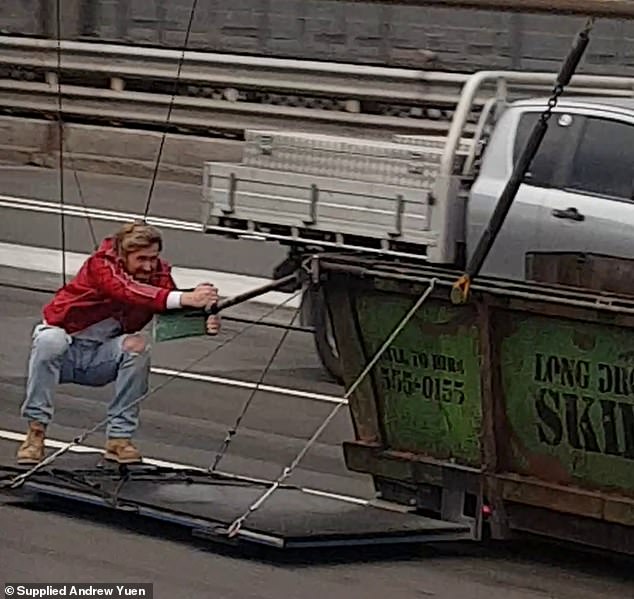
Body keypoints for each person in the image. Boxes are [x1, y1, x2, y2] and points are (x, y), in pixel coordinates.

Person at [16, 221, 221, 465]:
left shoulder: (158, 273)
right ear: (123, 255)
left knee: (138, 344)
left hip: (101, 358)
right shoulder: (100, 265)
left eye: (153, 258)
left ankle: (119, 439)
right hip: (64, 354)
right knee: (50, 339)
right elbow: (128, 290)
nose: (148, 266)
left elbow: (170, 308)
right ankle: (35, 433)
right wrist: (187, 297)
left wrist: (205, 318)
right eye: (141, 259)